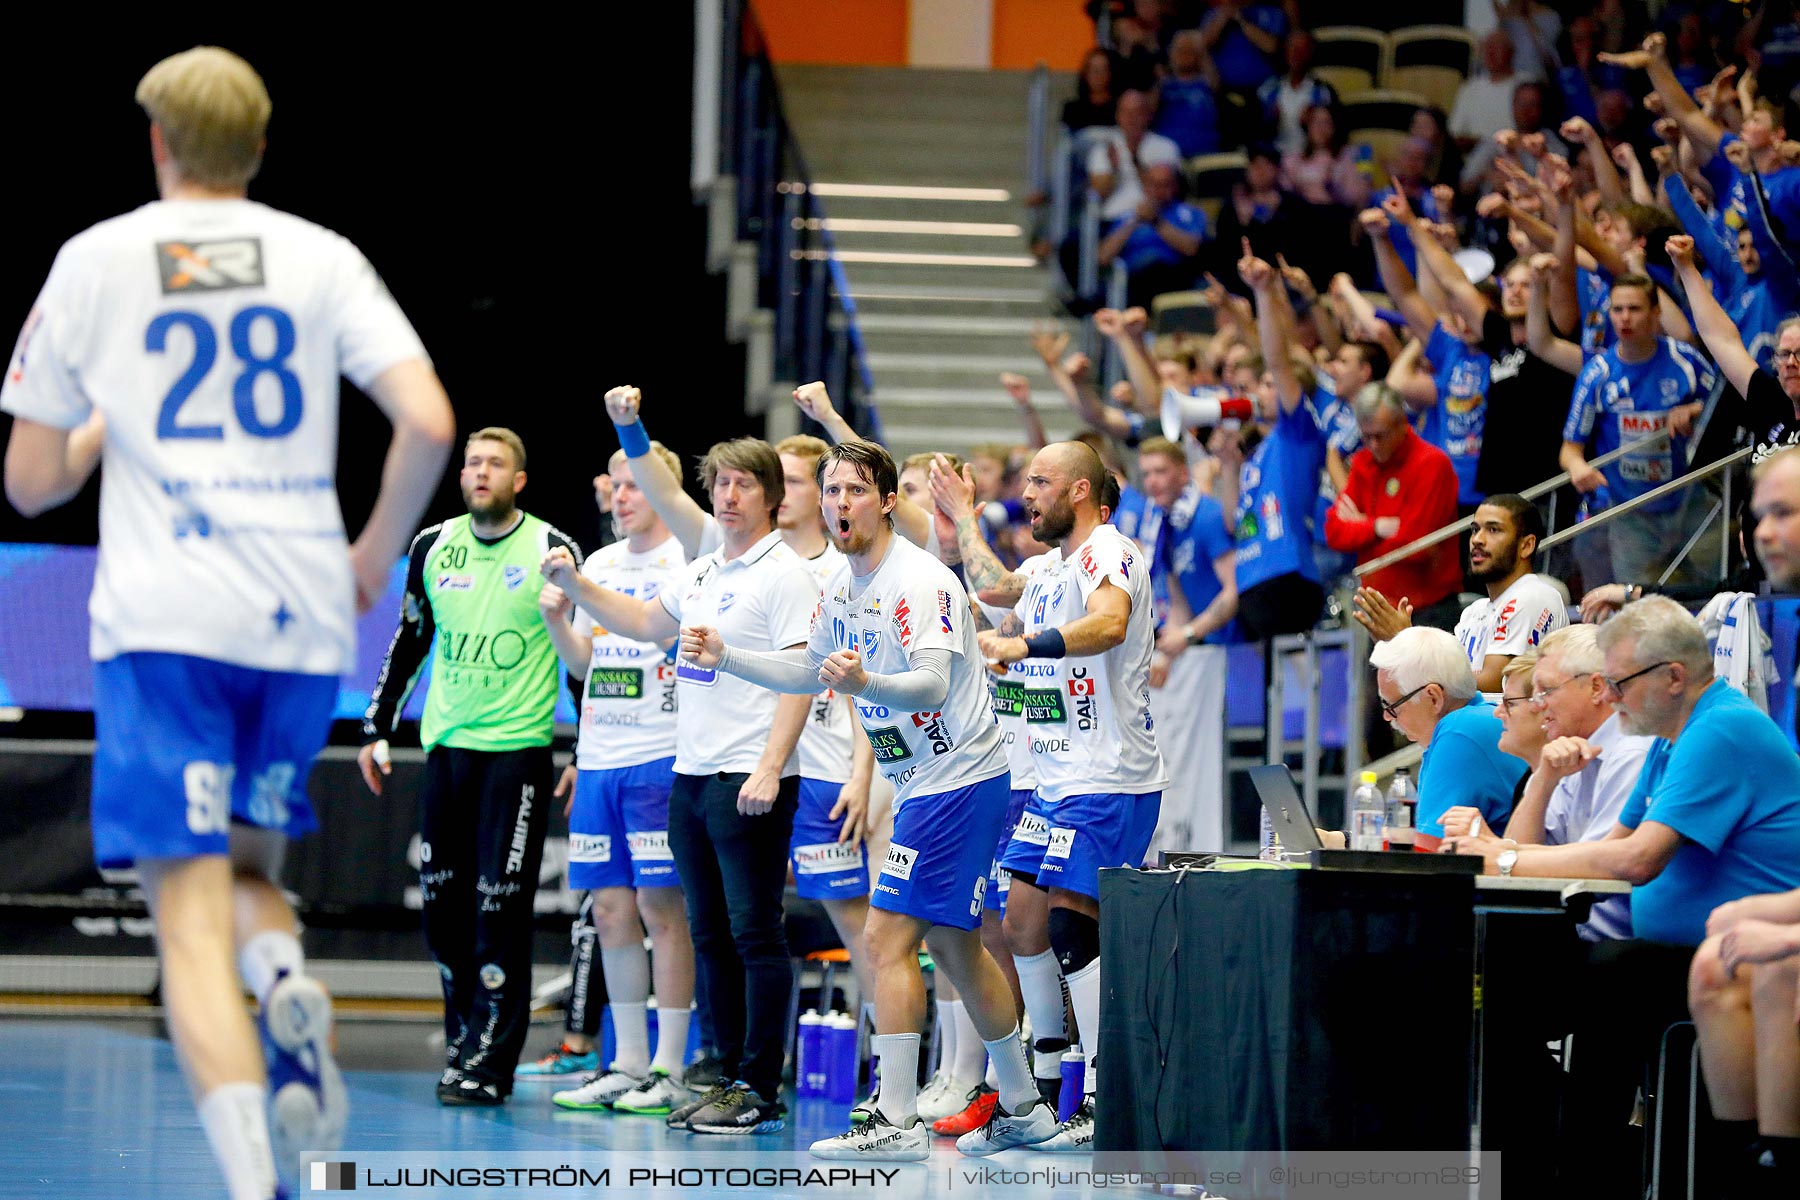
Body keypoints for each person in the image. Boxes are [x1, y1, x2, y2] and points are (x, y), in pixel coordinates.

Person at [0, 47, 454, 1200]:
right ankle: (287, 979)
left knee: (184, 919)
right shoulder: (321, 256)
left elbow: (32, 482)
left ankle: (255, 1179)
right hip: (299, 614)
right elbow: (429, 423)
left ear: (157, 143)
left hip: (165, 622)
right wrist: (370, 552)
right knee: (251, 870)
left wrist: (107, 418)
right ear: (258, 150)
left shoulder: (96, 259)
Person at [682, 439, 1056, 1160]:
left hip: (958, 780)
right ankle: (1023, 1106)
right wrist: (727, 656)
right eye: (831, 492)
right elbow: (803, 670)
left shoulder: (918, 580)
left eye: (855, 491)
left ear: (886, 502)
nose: (839, 503)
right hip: (924, 783)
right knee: (955, 947)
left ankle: (897, 1119)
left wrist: (863, 688)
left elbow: (931, 684)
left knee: (885, 940)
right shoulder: (839, 587)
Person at [1443, 598, 1800, 1199]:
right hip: (1679, 943)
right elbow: (1612, 845)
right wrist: (1506, 857)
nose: (1611, 696)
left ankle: (1582, 1178)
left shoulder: (1721, 729)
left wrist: (1501, 857)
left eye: (1618, 683)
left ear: (1673, 677)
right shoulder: (1672, 735)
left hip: (1743, 942)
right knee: (1511, 978)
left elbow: (1636, 862)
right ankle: (1529, 1169)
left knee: (1613, 972)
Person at [540, 435, 817, 1137]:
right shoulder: (702, 572)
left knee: (757, 933)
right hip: (689, 775)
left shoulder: (784, 573)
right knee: (710, 933)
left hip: (748, 776)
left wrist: (769, 765)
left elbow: (801, 678)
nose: (727, 496)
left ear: (770, 498)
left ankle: (759, 1083)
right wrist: (575, 587)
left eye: (743, 485)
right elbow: (638, 622)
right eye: (719, 484)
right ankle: (722, 1072)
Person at [938, 440, 1168, 1152]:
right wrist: (961, 519)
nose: (1027, 491)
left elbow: (1108, 624)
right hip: (1056, 779)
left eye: (1040, 481)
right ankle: (1038, 1098)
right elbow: (993, 586)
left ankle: (1097, 1096)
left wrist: (1025, 646)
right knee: (1019, 926)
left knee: (1069, 926)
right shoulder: (1047, 567)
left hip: (1109, 777)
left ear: (1078, 491)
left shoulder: (1111, 551)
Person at [359, 429, 579, 1106]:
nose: (481, 472)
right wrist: (377, 726)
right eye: (473, 462)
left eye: (496, 464)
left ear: (519, 480)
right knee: (442, 910)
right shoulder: (433, 545)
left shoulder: (553, 550)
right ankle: (463, 1034)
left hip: (516, 754)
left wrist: (586, 750)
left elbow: (584, 658)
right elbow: (412, 635)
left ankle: (491, 1057)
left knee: (498, 910)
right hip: (447, 750)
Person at [529, 444, 697, 1117]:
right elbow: (585, 663)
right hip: (599, 757)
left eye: (635, 485)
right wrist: (552, 618)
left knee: (663, 910)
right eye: (616, 486)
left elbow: (666, 641)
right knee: (608, 911)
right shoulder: (598, 563)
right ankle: (625, 1062)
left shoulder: (685, 560)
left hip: (662, 754)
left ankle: (671, 1066)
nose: (623, 496)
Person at [1443, 623, 1652, 941]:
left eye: (1546, 691)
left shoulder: (1632, 752)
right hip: (1576, 936)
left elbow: (1599, 868)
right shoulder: (1571, 751)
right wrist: (1543, 781)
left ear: (1596, 688)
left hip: (1621, 950)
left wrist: (1498, 854)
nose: (1538, 704)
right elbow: (1518, 861)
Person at [1138, 437, 1238, 854]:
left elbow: (1234, 591)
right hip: (1192, 655)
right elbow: (1177, 600)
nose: (1153, 481)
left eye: (1161, 471)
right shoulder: (1166, 523)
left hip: (1221, 654)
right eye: (1145, 474)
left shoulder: (1208, 517)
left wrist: (1190, 636)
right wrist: (1166, 648)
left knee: (1195, 762)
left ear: (1183, 471)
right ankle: (1172, 843)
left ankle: (1202, 846)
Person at [1370, 627, 1524, 850]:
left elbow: (1426, 852)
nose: (1386, 716)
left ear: (1433, 698)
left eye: (1392, 706)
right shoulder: (1471, 720)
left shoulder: (1460, 732)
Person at [1327, 383, 1463, 631]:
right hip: (1380, 613)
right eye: (1366, 437)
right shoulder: (1362, 463)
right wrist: (1377, 527)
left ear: (1402, 423)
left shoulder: (1432, 465)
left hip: (1427, 612)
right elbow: (1334, 532)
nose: (1374, 444)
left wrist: (1360, 526)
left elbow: (1416, 548)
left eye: (1381, 435)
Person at [1096, 162, 1208, 309]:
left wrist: (1156, 221)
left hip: (1176, 278)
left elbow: (1191, 248)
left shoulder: (1189, 213)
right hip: (1134, 281)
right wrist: (1135, 221)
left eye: (1164, 185)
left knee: (1158, 269)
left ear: (1175, 186)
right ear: (1144, 186)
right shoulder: (1128, 218)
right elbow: (1103, 257)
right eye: (1153, 184)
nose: (1158, 191)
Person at [1086, 90, 1182, 223]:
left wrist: (1135, 158)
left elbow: (1164, 192)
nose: (1131, 119)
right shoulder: (1104, 148)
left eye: (1137, 113)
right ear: (1118, 116)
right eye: (1126, 113)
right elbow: (1098, 195)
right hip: (1112, 221)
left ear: (1148, 116)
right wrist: (1114, 170)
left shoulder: (1166, 147)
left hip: (1156, 221)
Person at [1257, 30, 1336, 159]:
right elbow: (1253, 131)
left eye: (1302, 49)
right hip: (1274, 159)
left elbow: (1333, 134)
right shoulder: (1267, 90)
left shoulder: (1323, 92)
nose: (1296, 54)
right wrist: (1269, 121)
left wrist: (1310, 123)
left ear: (1310, 54)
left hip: (1310, 160)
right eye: (1292, 48)